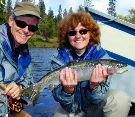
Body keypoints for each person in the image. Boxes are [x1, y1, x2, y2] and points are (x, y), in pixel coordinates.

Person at [51, 11, 131, 117]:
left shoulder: (102, 56)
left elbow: (97, 98)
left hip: (95, 108)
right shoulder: (58, 59)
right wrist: (68, 90)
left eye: (83, 31)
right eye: (72, 33)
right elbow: (58, 97)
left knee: (121, 99)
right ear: (66, 36)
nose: (78, 36)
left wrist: (94, 86)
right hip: (69, 109)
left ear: (91, 34)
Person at [0, 2, 41, 117]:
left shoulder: (24, 52)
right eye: (21, 23)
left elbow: (29, 80)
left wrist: (20, 87)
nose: (26, 30)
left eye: (32, 27)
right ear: (11, 21)